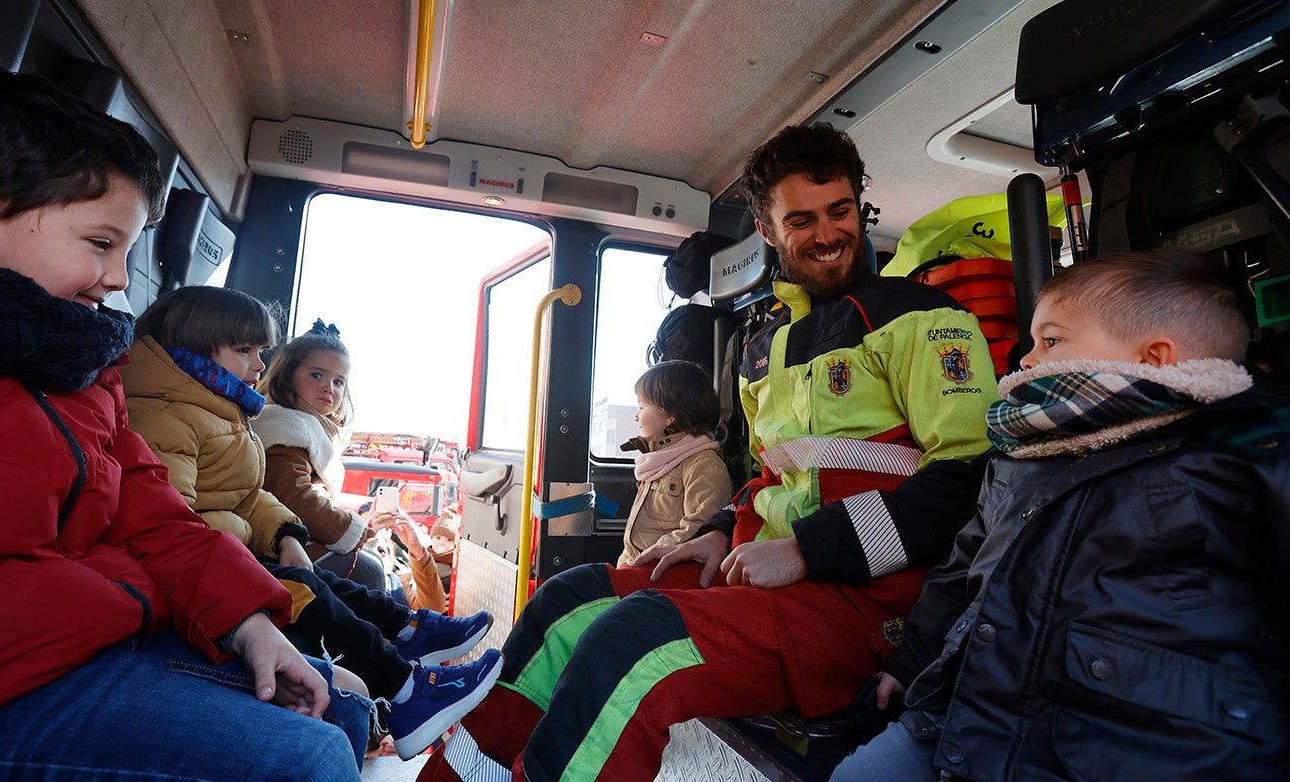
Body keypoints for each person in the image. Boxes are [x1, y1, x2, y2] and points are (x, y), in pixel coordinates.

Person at [421, 123, 1000, 782]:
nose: (828, 233)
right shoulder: (766, 346)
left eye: (840, 211)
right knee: (566, 599)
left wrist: (810, 549)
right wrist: (718, 531)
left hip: (862, 606)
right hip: (763, 579)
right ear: (769, 228)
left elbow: (971, 479)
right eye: (802, 219)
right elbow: (775, 475)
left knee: (635, 640)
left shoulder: (923, 319)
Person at [0, 69, 368, 779]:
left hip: (86, 639)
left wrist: (250, 624)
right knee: (307, 758)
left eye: (127, 251)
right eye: (101, 244)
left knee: (340, 708)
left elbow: (153, 517)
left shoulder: (81, 370)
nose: (121, 280)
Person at [832, 250, 1290, 782]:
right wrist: (910, 663)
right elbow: (961, 571)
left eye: (1050, 341)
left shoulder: (1245, 455)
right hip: (966, 721)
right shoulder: (1019, 456)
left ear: (1153, 359)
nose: (1026, 361)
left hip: (1137, 752)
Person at [119, 284, 502, 760]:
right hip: (203, 568)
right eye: (245, 350)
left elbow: (248, 495)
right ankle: (407, 693)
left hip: (233, 553)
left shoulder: (218, 409)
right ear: (194, 344)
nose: (258, 365)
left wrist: (285, 535)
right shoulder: (165, 416)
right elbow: (171, 523)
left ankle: (407, 632)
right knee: (304, 590)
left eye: (261, 352)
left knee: (310, 576)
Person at [251, 319, 447, 611]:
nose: (329, 388)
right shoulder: (285, 428)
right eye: (317, 375)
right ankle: (368, 652)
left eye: (338, 381)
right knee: (368, 570)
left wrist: (359, 527)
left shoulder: (311, 429)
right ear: (287, 376)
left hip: (297, 535)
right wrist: (349, 529)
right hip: (278, 542)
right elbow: (292, 496)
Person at [616, 360, 733, 566]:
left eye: (642, 407)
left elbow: (698, 532)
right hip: (633, 567)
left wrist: (641, 563)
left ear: (669, 417)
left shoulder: (704, 466)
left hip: (657, 571)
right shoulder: (659, 461)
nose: (636, 416)